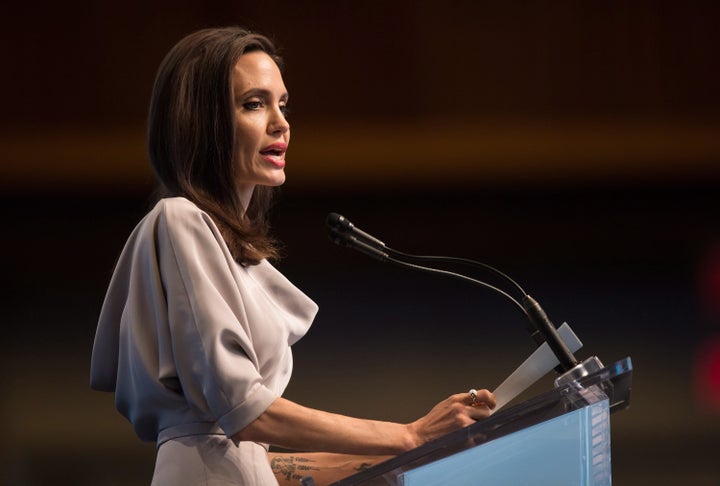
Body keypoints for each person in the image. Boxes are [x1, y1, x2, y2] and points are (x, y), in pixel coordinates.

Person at [90, 26, 496, 486]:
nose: (281, 123)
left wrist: (421, 452)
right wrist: (405, 435)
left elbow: (252, 458)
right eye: (254, 103)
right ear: (201, 120)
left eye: (283, 104)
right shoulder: (180, 219)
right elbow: (245, 412)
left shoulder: (229, 253)